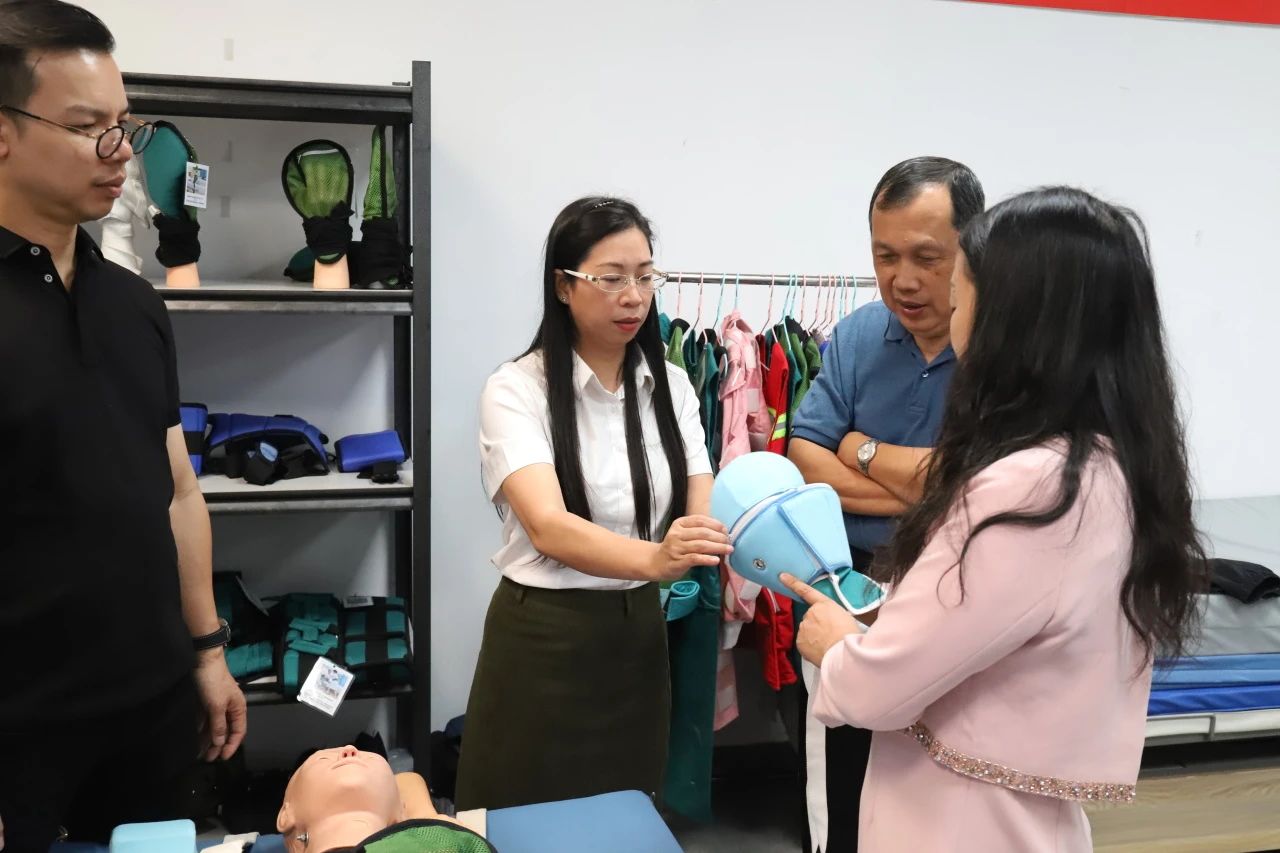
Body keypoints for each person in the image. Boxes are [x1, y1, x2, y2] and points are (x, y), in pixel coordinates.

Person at [784, 186, 1206, 851]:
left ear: (1014, 320)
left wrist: (836, 644)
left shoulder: (1024, 491)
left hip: (956, 820)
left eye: (956, 285)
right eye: (886, 255)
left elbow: (873, 691)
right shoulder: (1105, 465)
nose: (933, 295)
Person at [0, 2, 245, 847]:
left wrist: (207, 650)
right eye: (85, 127)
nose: (120, 153)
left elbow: (175, 489)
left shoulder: (135, 302)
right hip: (18, 726)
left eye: (124, 125)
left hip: (149, 705)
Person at [456, 196, 731, 810]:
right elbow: (548, 526)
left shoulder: (673, 385)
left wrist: (694, 539)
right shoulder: (516, 389)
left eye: (645, 277)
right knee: (520, 813)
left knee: (623, 811)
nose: (633, 297)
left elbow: (698, 483)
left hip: (638, 634)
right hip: (544, 634)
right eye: (611, 279)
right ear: (564, 285)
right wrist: (658, 560)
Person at [786, 156, 984, 852]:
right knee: (842, 778)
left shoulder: (998, 353)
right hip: (852, 579)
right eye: (885, 256)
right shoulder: (860, 335)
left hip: (954, 588)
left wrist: (859, 448)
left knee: (933, 781)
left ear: (973, 250)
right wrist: (925, 486)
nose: (903, 279)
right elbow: (804, 456)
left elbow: (972, 486)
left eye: (927, 258)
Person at [279, 746, 494, 853]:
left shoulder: (441, 841)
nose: (350, 750)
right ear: (285, 815)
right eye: (324, 759)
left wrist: (426, 820)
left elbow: (408, 780)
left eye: (369, 757)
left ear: (400, 811)